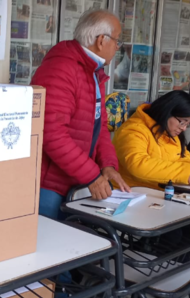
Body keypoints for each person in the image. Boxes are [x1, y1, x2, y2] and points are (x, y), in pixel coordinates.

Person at [31, 9, 130, 220]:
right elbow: (52, 134)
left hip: (73, 181)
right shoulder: (61, 69)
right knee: (51, 247)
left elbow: (100, 126)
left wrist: (108, 165)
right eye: (117, 42)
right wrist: (92, 176)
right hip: (49, 184)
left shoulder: (93, 72)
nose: (117, 48)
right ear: (101, 40)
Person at [112, 90, 190, 190]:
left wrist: (187, 172)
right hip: (130, 192)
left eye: (188, 124)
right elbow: (138, 164)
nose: (184, 128)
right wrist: (183, 173)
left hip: (159, 192)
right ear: (167, 112)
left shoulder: (170, 131)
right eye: (182, 122)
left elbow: (184, 157)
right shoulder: (134, 129)